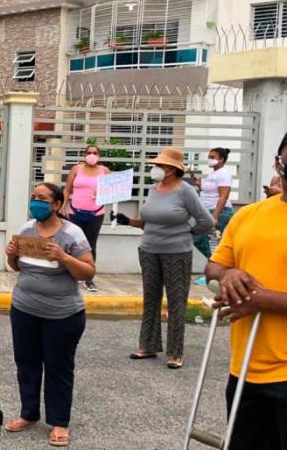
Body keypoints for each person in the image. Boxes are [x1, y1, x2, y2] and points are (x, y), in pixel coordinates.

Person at [204, 131, 287, 450]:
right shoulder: (249, 215)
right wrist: (231, 275)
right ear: (278, 165)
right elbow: (214, 268)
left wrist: (259, 300)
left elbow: (258, 298)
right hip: (246, 370)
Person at [4, 182, 95, 448]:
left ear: (56, 205)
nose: (36, 203)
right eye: (33, 197)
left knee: (58, 367)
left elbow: (88, 272)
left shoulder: (72, 234)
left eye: (43, 199)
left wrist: (64, 257)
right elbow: (18, 267)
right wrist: (11, 256)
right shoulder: (26, 229)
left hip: (63, 315)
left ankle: (59, 422)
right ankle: (28, 414)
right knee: (27, 363)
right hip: (24, 309)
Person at [115, 147, 214, 369]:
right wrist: (128, 221)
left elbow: (206, 221)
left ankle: (175, 352)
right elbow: (149, 220)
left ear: (171, 169)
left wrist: (188, 233)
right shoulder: (153, 189)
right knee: (150, 298)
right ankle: (148, 345)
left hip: (177, 252)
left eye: (159, 165)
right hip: (149, 249)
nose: (155, 168)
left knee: (176, 300)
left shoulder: (185, 191)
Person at [62, 144, 110, 292]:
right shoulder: (76, 169)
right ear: (84, 155)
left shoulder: (105, 171)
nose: (91, 155)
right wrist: (63, 206)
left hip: (96, 213)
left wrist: (103, 193)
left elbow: (111, 191)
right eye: (89, 152)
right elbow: (68, 189)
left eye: (95, 153)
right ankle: (70, 275)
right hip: (75, 212)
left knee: (91, 245)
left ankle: (88, 278)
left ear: (99, 156)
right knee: (72, 244)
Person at [191, 147, 234, 259]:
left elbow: (224, 196)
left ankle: (219, 265)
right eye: (209, 157)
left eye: (212, 157)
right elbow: (209, 193)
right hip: (208, 211)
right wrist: (199, 184)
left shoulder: (223, 174)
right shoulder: (214, 174)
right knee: (207, 241)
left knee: (205, 240)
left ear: (221, 159)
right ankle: (218, 265)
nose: (209, 159)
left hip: (219, 212)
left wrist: (214, 216)